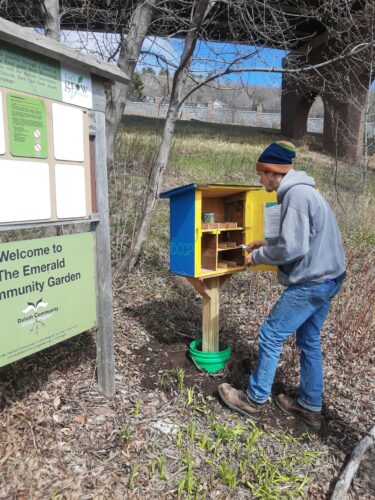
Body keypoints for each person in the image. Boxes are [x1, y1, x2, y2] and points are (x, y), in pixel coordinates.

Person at [218, 141, 346, 431]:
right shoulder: (307, 191)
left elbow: (293, 248)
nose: (259, 179)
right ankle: (310, 406)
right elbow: (304, 238)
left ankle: (254, 399)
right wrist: (267, 243)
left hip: (312, 282)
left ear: (270, 171)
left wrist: (257, 256)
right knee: (309, 340)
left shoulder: (296, 196)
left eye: (260, 174)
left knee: (271, 334)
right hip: (329, 278)